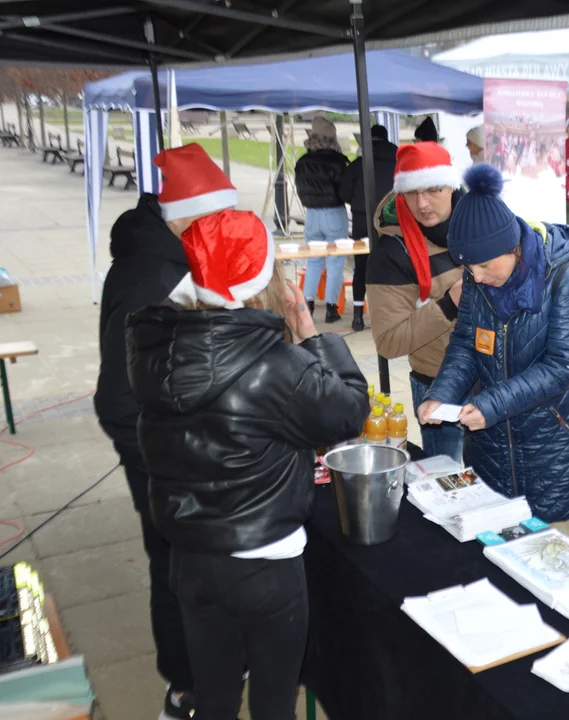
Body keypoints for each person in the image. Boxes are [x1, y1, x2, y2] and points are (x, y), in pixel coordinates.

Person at [127, 205, 369, 720]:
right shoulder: (278, 365)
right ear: (263, 279)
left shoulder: (157, 350)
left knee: (213, 697)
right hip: (266, 563)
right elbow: (349, 412)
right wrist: (312, 334)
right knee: (273, 702)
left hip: (191, 558)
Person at [418, 165, 569, 541]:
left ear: (514, 246)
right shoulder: (476, 277)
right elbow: (466, 343)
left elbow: (561, 367)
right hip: (493, 456)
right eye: (469, 268)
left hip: (554, 455)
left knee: (553, 567)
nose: (477, 276)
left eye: (485, 265)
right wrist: (442, 394)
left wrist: (491, 404)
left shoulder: (566, 276)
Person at [93, 146, 210, 720]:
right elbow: (118, 396)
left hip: (162, 441)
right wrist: (166, 450)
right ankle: (185, 689)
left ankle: (200, 666)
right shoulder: (155, 275)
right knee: (175, 565)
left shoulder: (161, 253)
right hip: (155, 452)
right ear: (188, 215)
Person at [368, 142, 465, 461]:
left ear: (451, 185)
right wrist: (450, 304)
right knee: (450, 488)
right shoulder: (391, 253)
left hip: (498, 380)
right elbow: (388, 341)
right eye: (412, 193)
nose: (422, 203)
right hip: (438, 386)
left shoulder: (481, 223)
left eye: (433, 190)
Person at [339, 124, 398, 331]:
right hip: (390, 220)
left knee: (361, 266)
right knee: (391, 265)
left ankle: (357, 316)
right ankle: (388, 315)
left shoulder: (358, 164)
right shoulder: (398, 163)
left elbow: (344, 193)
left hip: (362, 220)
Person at [296, 116, 350, 323]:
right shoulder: (338, 161)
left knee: (314, 261)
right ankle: (330, 308)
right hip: (334, 212)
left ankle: (308, 305)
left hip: (312, 214)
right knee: (336, 262)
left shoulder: (303, 161)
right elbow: (344, 190)